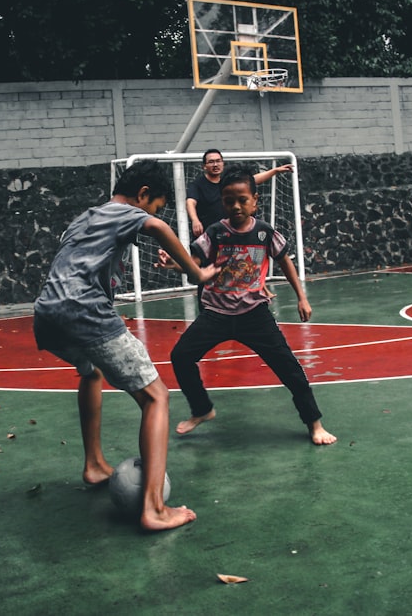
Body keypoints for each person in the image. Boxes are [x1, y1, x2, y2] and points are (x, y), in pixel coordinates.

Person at [33, 159, 220, 532]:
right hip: (83, 309)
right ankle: (154, 508)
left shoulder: (87, 215)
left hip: (47, 311)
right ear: (144, 194)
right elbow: (156, 225)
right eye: (155, 203)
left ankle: (94, 464)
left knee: (91, 371)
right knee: (156, 397)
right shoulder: (125, 211)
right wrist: (196, 272)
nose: (153, 212)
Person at [159, 167, 337, 446]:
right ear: (222, 202)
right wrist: (173, 262)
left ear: (255, 200)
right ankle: (202, 409)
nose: (236, 206)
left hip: (254, 314)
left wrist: (302, 297)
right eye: (229, 201)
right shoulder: (215, 233)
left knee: (290, 370)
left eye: (243, 200)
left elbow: (285, 261)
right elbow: (193, 260)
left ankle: (315, 424)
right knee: (181, 356)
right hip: (216, 312)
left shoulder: (265, 233)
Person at [185, 149, 293, 238]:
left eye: (218, 161)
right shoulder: (197, 184)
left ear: (223, 163)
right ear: (204, 166)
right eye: (211, 162)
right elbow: (190, 202)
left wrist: (275, 171)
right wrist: (195, 220)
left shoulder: (228, 181)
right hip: (208, 233)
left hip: (230, 232)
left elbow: (252, 180)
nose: (215, 164)